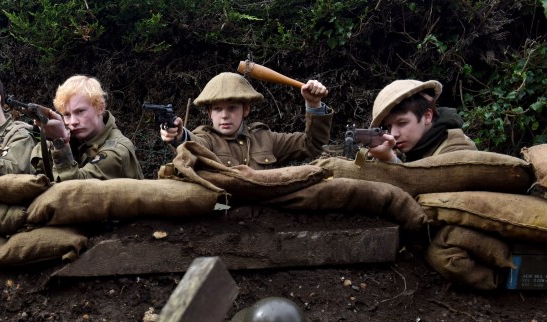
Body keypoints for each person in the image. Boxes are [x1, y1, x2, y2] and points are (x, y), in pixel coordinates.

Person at [159, 72, 332, 169]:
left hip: (268, 221)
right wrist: (179, 135)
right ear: (209, 113)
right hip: (221, 214)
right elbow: (194, 144)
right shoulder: (207, 139)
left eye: (232, 108)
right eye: (218, 109)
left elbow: (312, 144)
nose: (224, 115)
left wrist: (313, 103)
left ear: (246, 109)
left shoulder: (265, 138)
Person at [29, 75, 143, 181]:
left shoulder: (117, 151)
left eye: (80, 111)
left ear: (100, 108)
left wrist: (60, 143)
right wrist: (52, 140)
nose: (73, 122)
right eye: (67, 115)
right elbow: (38, 172)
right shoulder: (76, 138)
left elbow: (75, 190)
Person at [366, 79, 476, 163]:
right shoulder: (408, 148)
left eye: (402, 123)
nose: (394, 134)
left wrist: (390, 160)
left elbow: (429, 185)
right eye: (389, 126)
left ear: (427, 116)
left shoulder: (457, 147)